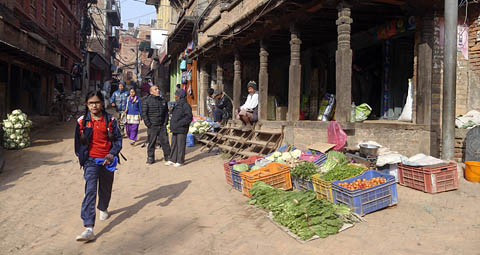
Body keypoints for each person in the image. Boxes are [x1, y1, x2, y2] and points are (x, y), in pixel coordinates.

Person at [74, 91, 122, 242]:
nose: (94, 105)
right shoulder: (82, 122)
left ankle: (103, 207)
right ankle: (88, 228)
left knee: (106, 188)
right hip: (91, 161)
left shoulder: (110, 120)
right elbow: (77, 144)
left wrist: (112, 154)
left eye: (96, 102)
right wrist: (83, 158)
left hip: (107, 160)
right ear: (87, 105)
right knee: (90, 191)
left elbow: (118, 141)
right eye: (90, 103)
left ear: (102, 103)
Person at [142, 85, 171, 164]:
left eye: (158, 89)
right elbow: (144, 114)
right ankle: (150, 157)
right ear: (151, 92)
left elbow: (166, 113)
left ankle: (167, 156)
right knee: (152, 142)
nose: (158, 90)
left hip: (162, 125)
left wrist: (165, 122)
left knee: (165, 141)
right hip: (152, 126)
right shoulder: (147, 101)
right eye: (155, 89)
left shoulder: (163, 100)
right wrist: (148, 124)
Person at [165, 89, 192, 167]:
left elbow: (189, 117)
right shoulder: (177, 104)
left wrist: (180, 124)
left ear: (180, 95)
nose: (175, 96)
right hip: (175, 128)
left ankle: (180, 161)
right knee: (174, 144)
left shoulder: (186, 105)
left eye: (176, 94)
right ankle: (172, 159)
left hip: (181, 129)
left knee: (181, 145)